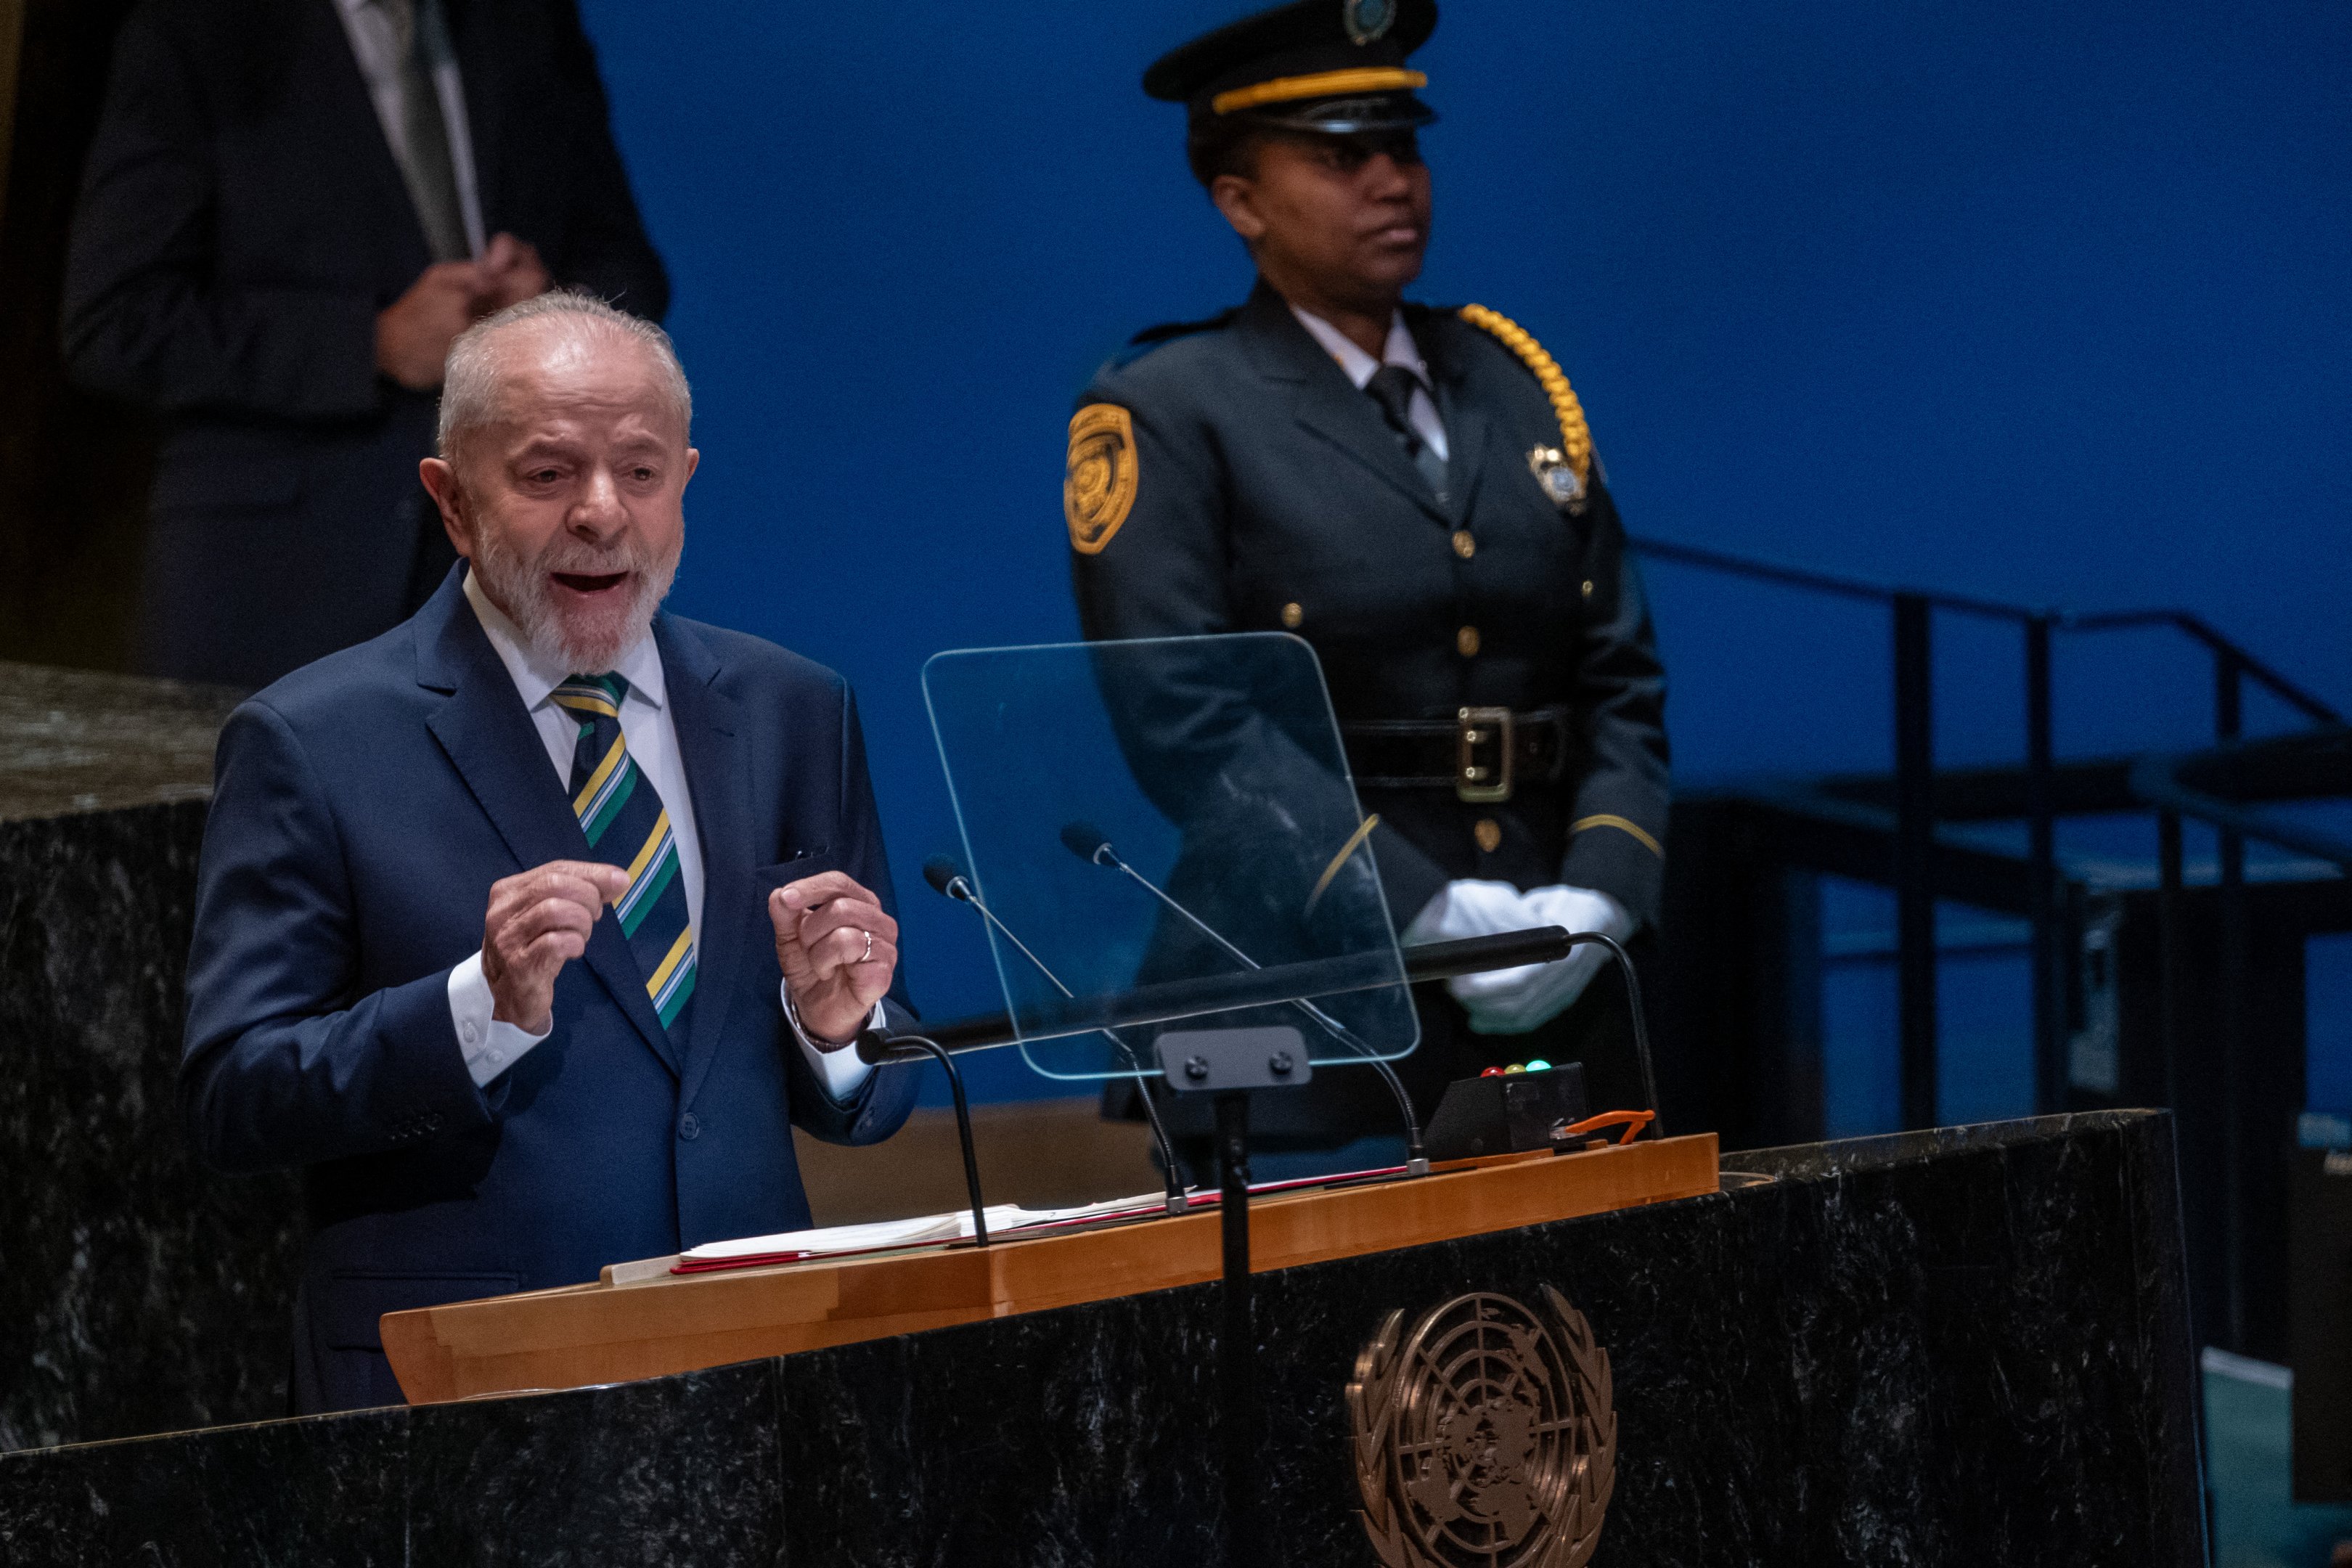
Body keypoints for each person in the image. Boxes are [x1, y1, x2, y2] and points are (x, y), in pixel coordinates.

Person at [180, 293, 918, 1413]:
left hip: (756, 1367)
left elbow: (866, 1080)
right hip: (468, 1384)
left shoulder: (794, 709)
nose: (600, 514)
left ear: (686, 483)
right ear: (452, 502)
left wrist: (838, 1033)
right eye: (544, 476)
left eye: (640, 471)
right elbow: (235, 1095)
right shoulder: (314, 740)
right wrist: (479, 1007)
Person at [1068, 0, 1670, 1175]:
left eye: (1404, 148)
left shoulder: (1512, 384)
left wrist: (1601, 896)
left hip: (1561, 968)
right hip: (1302, 995)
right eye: (1343, 158)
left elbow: (1621, 678)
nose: (1392, 181)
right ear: (1240, 201)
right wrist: (1430, 914)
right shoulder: (1171, 408)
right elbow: (1185, 722)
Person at [62, 0, 668, 689]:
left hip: (505, 584)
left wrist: (551, 313)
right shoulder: (198, 32)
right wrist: (372, 343)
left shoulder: (525, 25)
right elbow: (116, 322)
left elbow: (631, 273)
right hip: (275, 591)